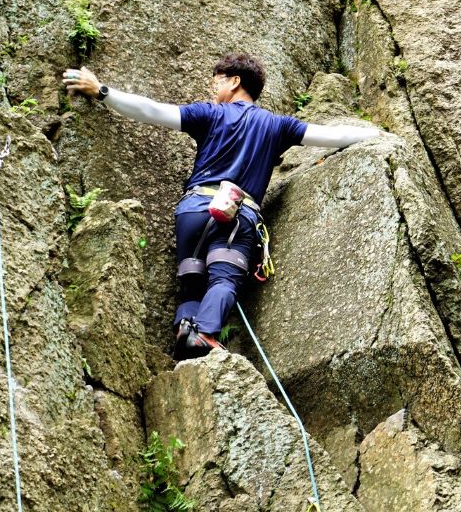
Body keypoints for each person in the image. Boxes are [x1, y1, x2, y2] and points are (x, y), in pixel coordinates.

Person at [62, 53, 381, 360]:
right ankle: (203, 332)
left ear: (235, 82)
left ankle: (186, 337)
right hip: (235, 215)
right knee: (224, 279)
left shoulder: (209, 115)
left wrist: (102, 91)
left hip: (192, 211)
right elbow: (333, 136)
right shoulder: (278, 126)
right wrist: (376, 134)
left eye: (217, 81)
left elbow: (153, 111)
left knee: (192, 283)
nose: (213, 89)